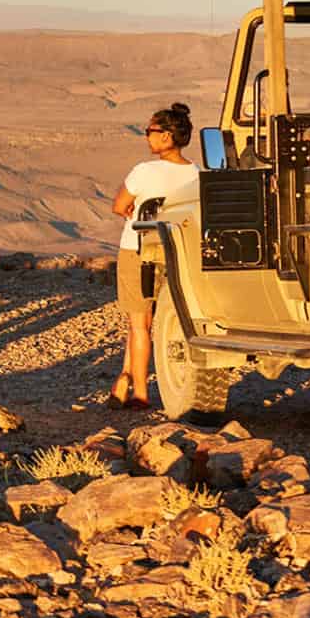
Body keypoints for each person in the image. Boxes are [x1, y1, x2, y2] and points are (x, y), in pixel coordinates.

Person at [109, 102, 199, 409]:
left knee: (138, 323)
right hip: (176, 252)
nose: (147, 137)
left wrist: (134, 208)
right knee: (147, 322)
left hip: (138, 250)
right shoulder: (196, 173)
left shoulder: (144, 171)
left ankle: (140, 395)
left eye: (151, 131)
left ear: (166, 136)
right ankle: (123, 380)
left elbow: (119, 206)